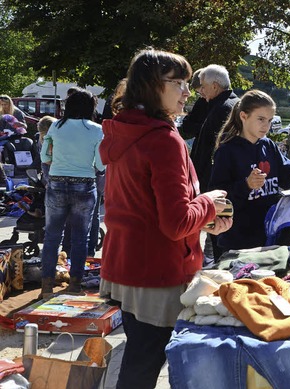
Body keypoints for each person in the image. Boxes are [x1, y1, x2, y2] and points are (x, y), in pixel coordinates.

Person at [98, 48, 232, 389]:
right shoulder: (162, 139)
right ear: (152, 86)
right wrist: (209, 204)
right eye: (179, 83)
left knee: (140, 358)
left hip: (129, 263)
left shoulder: (126, 130)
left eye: (189, 84)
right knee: (146, 362)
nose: (188, 92)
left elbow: (145, 207)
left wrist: (202, 218)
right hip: (156, 270)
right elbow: (173, 223)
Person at [210, 90, 290, 253]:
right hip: (238, 242)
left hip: (271, 238)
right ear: (243, 116)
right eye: (261, 119)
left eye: (270, 120)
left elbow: (288, 170)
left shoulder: (269, 146)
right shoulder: (227, 151)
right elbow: (216, 195)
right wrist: (246, 185)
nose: (266, 126)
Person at [38, 89, 104, 297]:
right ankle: (75, 284)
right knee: (80, 238)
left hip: (57, 183)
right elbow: (101, 164)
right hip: (84, 185)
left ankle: (46, 286)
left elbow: (44, 156)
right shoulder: (97, 129)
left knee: (51, 237)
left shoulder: (56, 127)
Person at [189, 64, 239, 261]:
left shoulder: (225, 107)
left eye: (203, 86)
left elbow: (222, 151)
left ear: (215, 86)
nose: (201, 91)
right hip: (215, 184)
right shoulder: (222, 104)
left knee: (220, 241)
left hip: (218, 185)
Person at [179, 68, 209, 141]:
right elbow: (188, 124)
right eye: (199, 93)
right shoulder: (202, 100)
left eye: (202, 91)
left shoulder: (221, 104)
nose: (202, 95)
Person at [36, 116, 55, 187]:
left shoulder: (41, 138)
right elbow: (45, 159)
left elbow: (44, 159)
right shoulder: (49, 139)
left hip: (47, 170)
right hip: (52, 168)